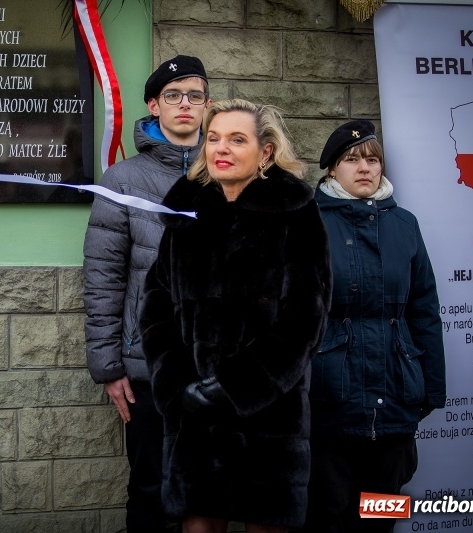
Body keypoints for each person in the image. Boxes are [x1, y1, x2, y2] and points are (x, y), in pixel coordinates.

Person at [139, 99, 332, 533]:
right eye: (213, 138)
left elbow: (306, 319)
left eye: (237, 139)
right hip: (195, 417)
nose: (221, 148)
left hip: (267, 419)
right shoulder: (186, 213)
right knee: (199, 524)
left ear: (265, 152)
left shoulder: (295, 213)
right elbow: (155, 309)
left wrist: (234, 387)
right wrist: (176, 388)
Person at [83, 55, 211, 531]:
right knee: (151, 491)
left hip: (215, 367)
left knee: (207, 495)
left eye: (194, 95)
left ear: (207, 104)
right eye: (173, 95)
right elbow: (103, 276)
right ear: (154, 106)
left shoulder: (228, 170)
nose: (185, 104)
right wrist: (109, 366)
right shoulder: (122, 180)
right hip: (148, 367)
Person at [300, 120, 446, 533]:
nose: (364, 168)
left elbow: (424, 309)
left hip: (395, 398)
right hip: (330, 401)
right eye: (352, 159)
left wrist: (431, 388)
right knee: (326, 517)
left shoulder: (405, 224)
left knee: (381, 515)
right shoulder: (308, 223)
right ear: (332, 169)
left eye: (372, 159)